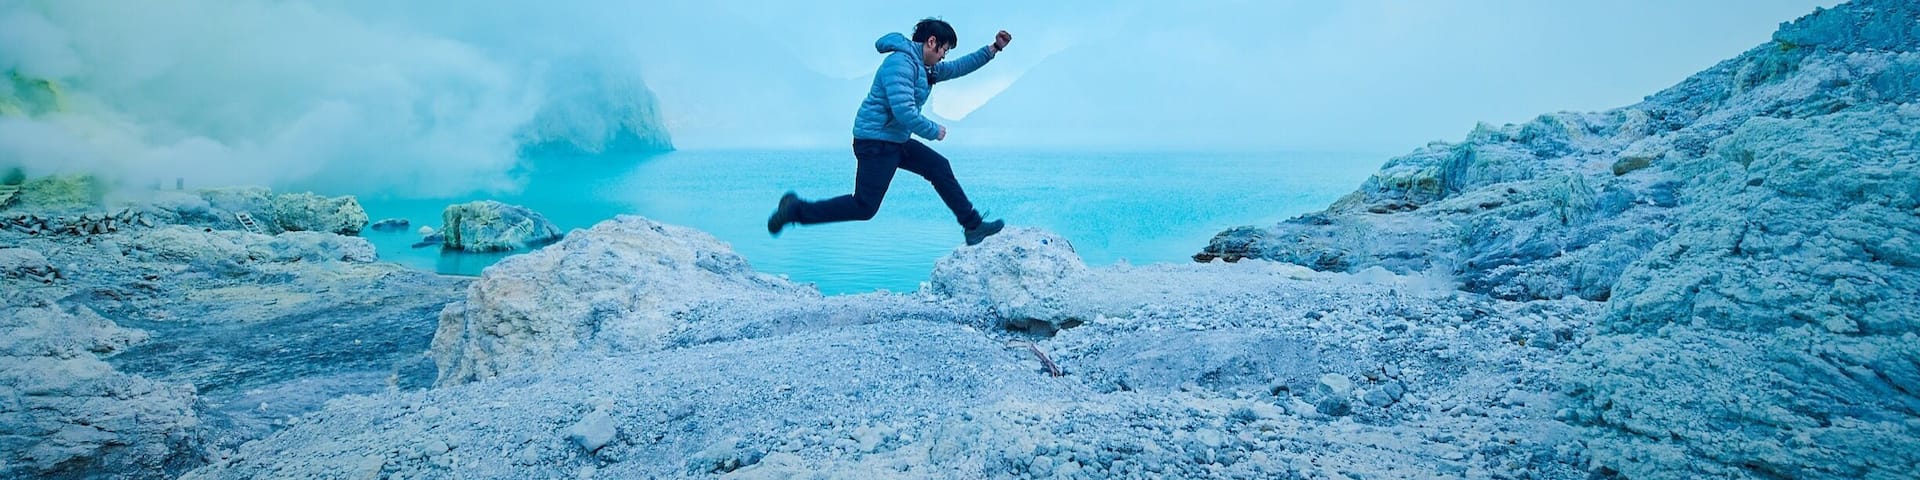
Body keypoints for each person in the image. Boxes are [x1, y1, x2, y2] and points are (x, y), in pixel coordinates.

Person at [767, 18, 1009, 246]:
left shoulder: (924, 67)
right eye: (944, 49)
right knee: (864, 207)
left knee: (938, 167)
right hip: (875, 143)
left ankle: (973, 226)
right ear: (931, 42)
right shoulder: (900, 64)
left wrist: (993, 48)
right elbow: (903, 111)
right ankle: (795, 210)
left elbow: (958, 67)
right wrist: (934, 130)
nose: (945, 55)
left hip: (895, 140)